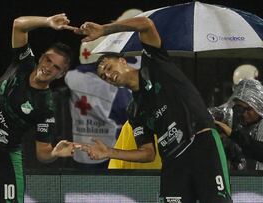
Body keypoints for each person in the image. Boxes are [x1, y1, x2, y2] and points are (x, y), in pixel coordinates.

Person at [74, 16, 232, 202]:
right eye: (104, 76)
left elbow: (146, 24)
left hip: (200, 143)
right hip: (173, 161)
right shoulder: (134, 111)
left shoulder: (155, 64)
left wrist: (104, 30)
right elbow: (148, 153)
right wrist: (109, 152)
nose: (108, 75)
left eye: (108, 67)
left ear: (123, 61)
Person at [0, 14, 77, 203]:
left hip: (5, 160)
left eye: (55, 67)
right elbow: (19, 25)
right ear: (41, 58)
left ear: (61, 74)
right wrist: (47, 22)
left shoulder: (45, 106)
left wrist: (53, 153)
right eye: (47, 60)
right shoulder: (23, 62)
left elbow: (42, 152)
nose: (48, 68)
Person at [64, 9, 142, 169]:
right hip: (109, 151)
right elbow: (126, 111)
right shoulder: (114, 80)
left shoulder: (71, 77)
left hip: (83, 151)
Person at [215, 79, 263, 170]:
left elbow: (259, 150)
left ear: (259, 106)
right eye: (240, 109)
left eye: (248, 109)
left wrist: (233, 134)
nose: (244, 114)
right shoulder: (240, 125)